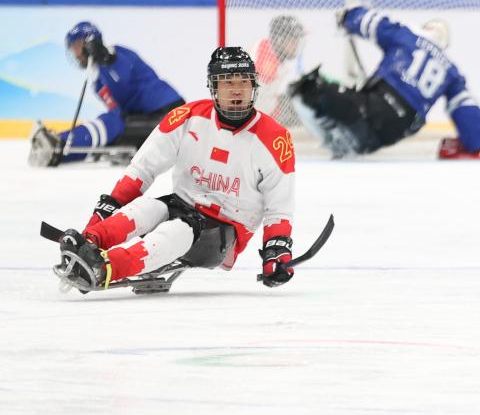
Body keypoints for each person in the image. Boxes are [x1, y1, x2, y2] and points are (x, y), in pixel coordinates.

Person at [56, 47, 297, 291]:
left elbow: (279, 207)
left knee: (178, 231)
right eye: (227, 82)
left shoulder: (275, 139)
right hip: (182, 206)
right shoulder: (187, 117)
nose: (237, 90)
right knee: (147, 208)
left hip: (225, 232)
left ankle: (105, 269)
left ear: (254, 85)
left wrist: (276, 250)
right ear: (213, 87)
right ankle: (87, 242)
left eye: (243, 82)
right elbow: (143, 169)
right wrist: (100, 217)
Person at [290, 6, 480, 160]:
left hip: (375, 105)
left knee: (305, 88)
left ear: (426, 29)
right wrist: (474, 144)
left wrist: (348, 17)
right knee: (367, 137)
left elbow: (374, 23)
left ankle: (335, 130)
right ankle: (360, 141)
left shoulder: (408, 37)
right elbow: (466, 108)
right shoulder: (451, 72)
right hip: (399, 128)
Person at [29, 21, 184, 167]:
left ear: (90, 43)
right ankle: (59, 153)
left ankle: (59, 143)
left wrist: (107, 59)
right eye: (72, 48)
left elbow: (123, 79)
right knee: (111, 133)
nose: (75, 53)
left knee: (113, 121)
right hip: (146, 120)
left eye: (77, 46)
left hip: (171, 115)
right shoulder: (97, 77)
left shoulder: (118, 55)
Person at [252, 15, 306, 126]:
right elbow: (260, 104)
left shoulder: (270, 50)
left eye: (297, 40)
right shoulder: (266, 58)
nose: (296, 44)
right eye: (293, 40)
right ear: (279, 40)